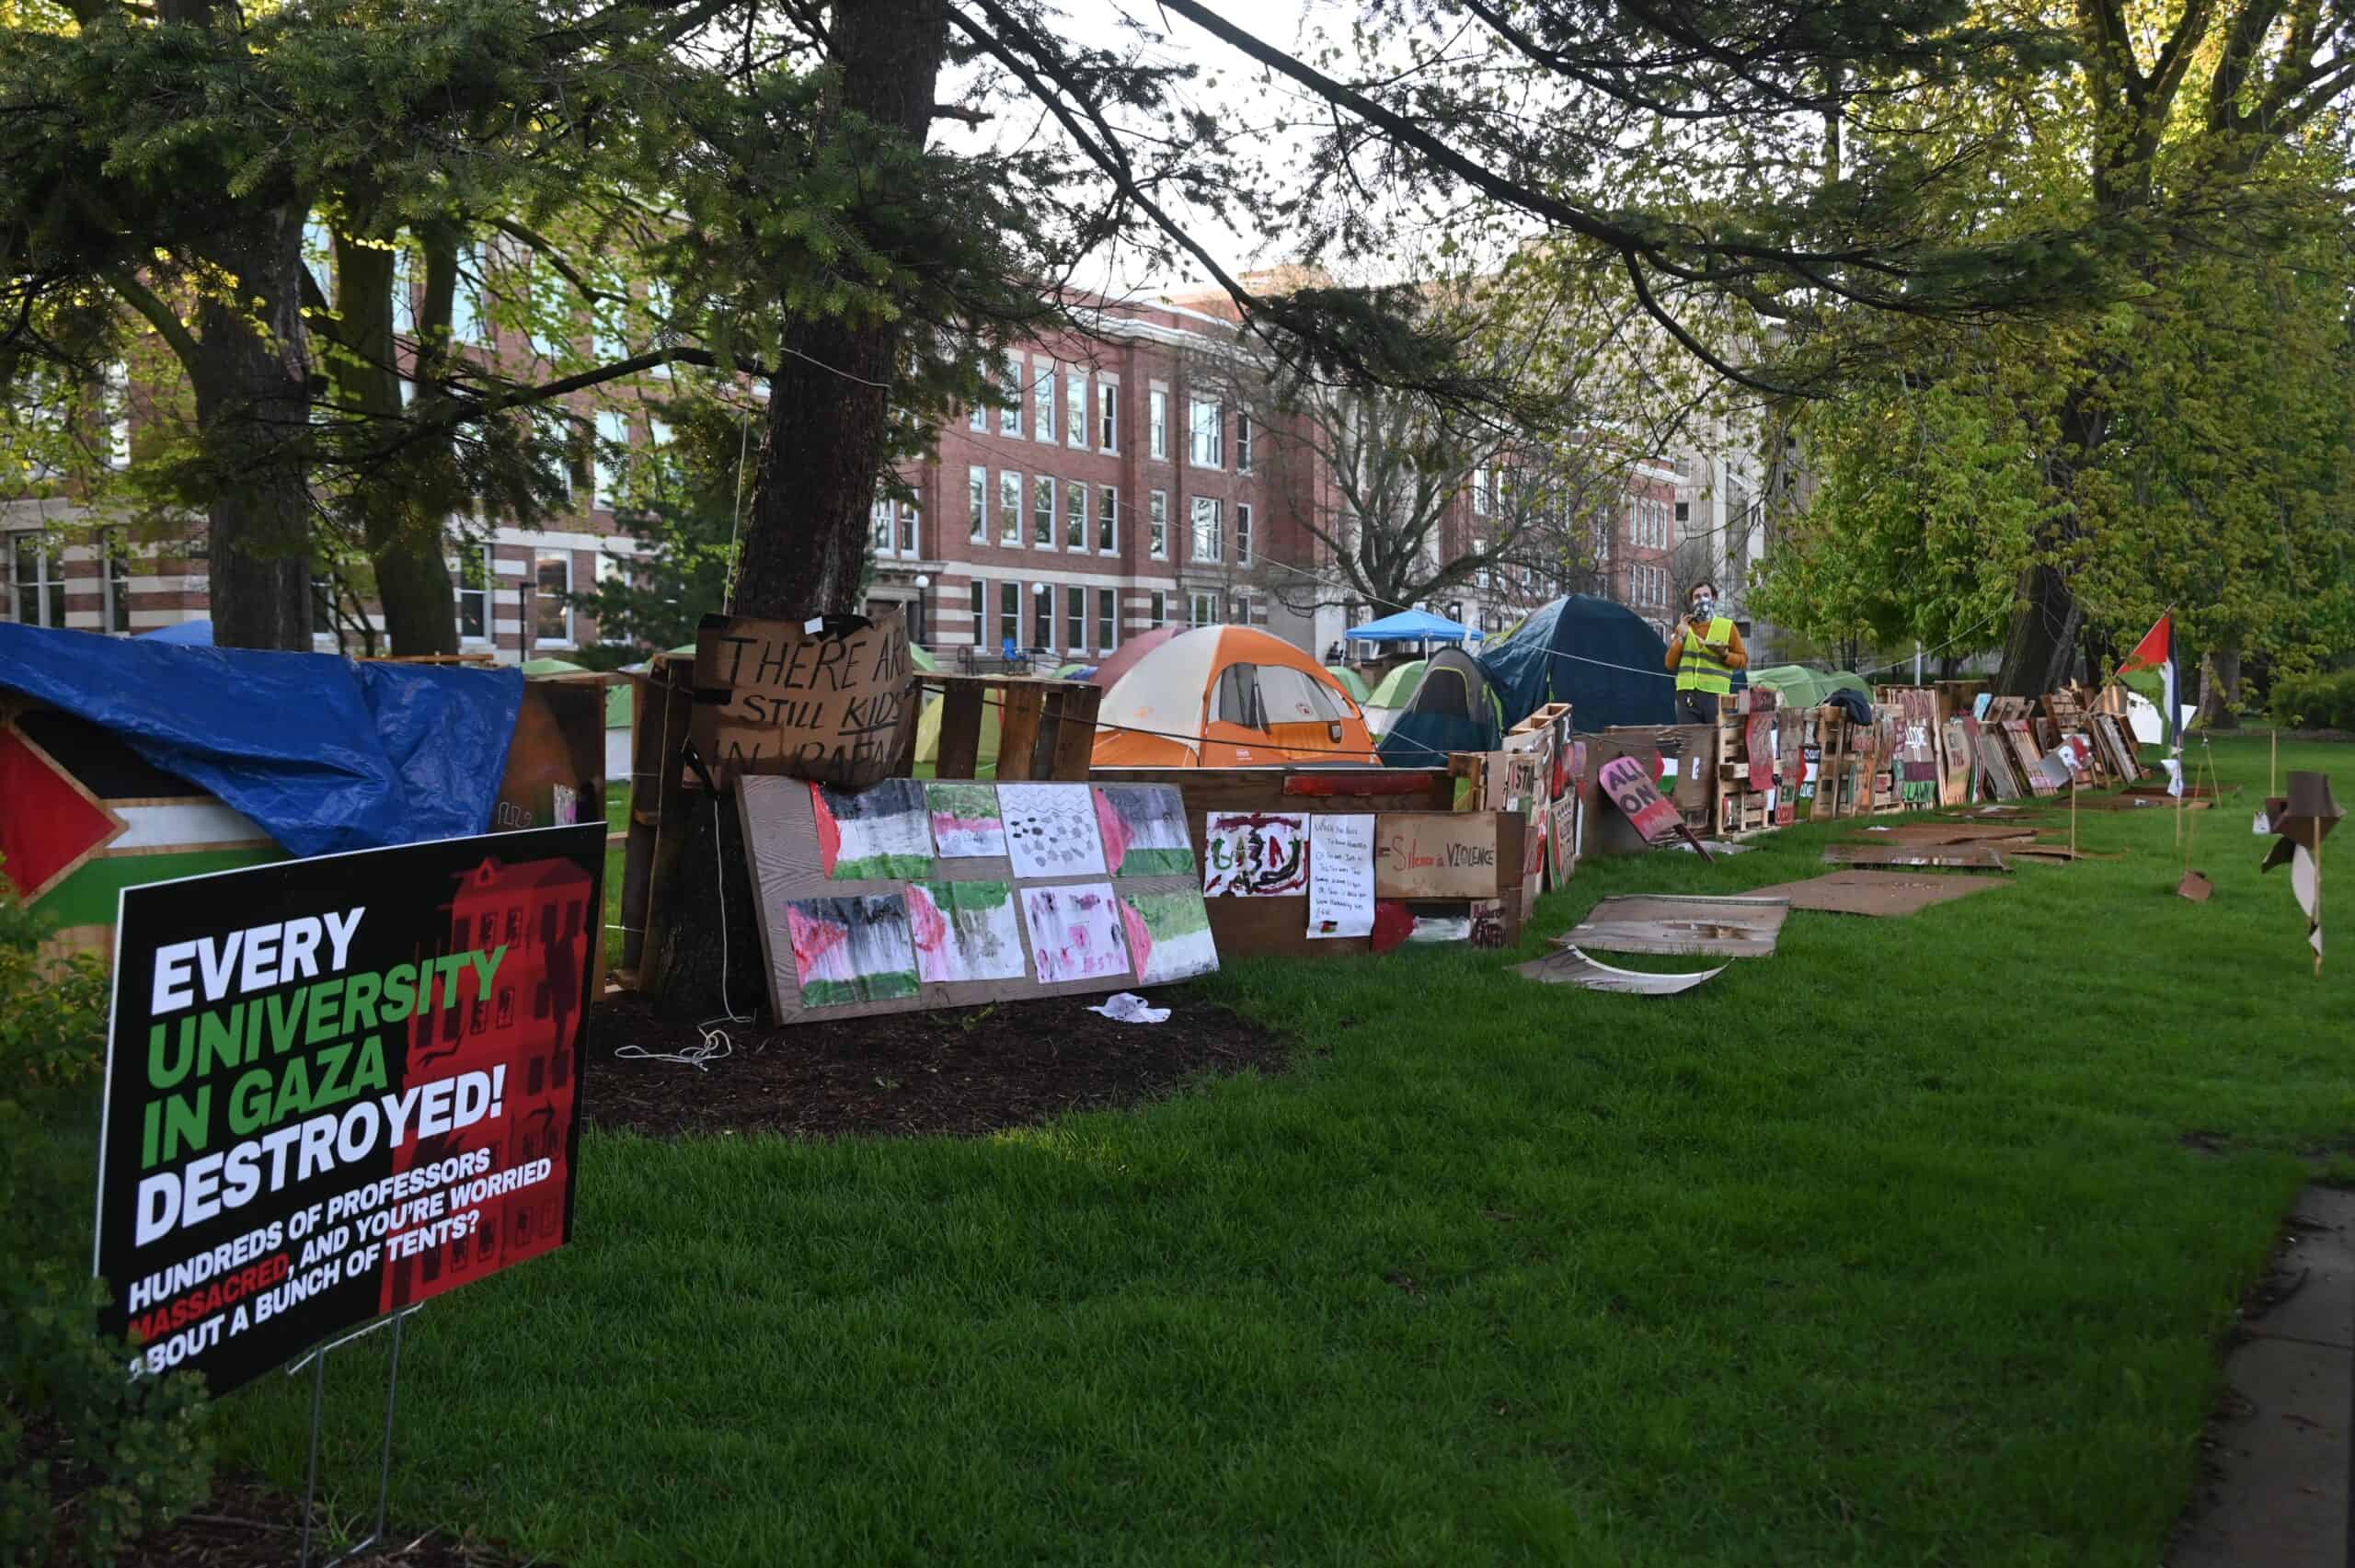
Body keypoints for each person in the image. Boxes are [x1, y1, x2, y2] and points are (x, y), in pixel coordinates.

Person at [1664, 580, 1747, 725]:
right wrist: (1681, 637)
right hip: (1686, 696)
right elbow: (1669, 664)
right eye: (1697, 596)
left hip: (1715, 697)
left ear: (1713, 598)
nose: (1701, 600)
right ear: (1692, 602)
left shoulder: (1727, 626)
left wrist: (1725, 655)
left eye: (1706, 595)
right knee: (1691, 743)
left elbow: (1743, 660)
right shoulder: (1684, 626)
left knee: (1714, 743)